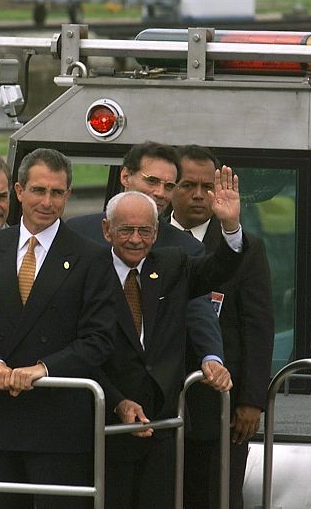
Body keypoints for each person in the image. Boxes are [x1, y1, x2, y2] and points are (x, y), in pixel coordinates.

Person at [0, 148, 118, 509]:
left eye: (57, 192)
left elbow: (98, 339)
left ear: (68, 195)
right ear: (19, 190)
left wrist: (43, 369)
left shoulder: (90, 256)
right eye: (39, 190)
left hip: (58, 424)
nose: (47, 202)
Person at [97, 183, 243, 508]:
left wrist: (230, 226)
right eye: (127, 230)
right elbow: (85, 349)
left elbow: (221, 268)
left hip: (163, 429)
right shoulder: (88, 272)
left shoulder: (172, 266)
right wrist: (118, 403)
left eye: (145, 231)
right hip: (107, 426)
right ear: (107, 230)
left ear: (157, 232)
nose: (136, 239)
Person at [66, 141, 225, 378]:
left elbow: (199, 310)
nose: (160, 193)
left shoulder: (186, 247)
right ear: (125, 176)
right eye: (152, 181)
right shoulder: (78, 233)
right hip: (90, 380)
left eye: (169, 186)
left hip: (151, 386)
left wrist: (211, 357)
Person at [171, 145, 275, 509]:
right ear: (171, 187)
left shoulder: (246, 247)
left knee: (217, 497)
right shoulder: (141, 239)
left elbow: (258, 326)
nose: (199, 195)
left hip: (220, 408)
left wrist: (251, 401)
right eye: (187, 185)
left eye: (207, 186)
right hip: (158, 407)